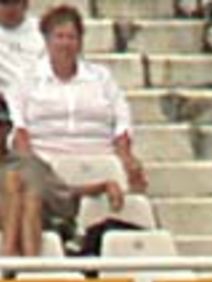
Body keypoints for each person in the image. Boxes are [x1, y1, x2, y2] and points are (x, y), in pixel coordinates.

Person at [7, 5, 147, 194]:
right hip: (46, 162)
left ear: (80, 42)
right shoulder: (26, 80)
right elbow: (18, 128)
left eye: (71, 37)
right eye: (59, 36)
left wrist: (126, 156)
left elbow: (122, 120)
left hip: (99, 156)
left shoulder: (102, 77)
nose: (65, 43)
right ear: (47, 41)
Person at [0, 95, 125, 256]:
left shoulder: (29, 163)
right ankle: (9, 262)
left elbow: (64, 194)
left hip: (33, 220)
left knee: (31, 199)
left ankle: (25, 270)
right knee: (13, 184)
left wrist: (104, 185)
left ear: (8, 128)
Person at [0, 0, 43, 98]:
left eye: (15, 2)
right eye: (4, 2)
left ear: (25, 5)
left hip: (38, 96)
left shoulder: (42, 30)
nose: (10, 8)